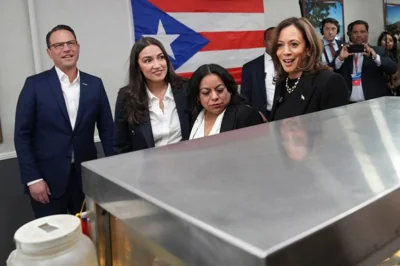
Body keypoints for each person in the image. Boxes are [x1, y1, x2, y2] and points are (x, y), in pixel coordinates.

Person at [14, 25, 114, 218]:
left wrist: (114, 172)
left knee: (90, 237)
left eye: (70, 43)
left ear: (78, 47)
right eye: (59, 45)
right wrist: (33, 178)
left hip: (86, 181)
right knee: (54, 242)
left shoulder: (94, 84)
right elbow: (22, 135)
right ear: (49, 52)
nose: (66, 49)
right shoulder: (34, 85)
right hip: (47, 184)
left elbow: (108, 131)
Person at [114, 37, 190, 153]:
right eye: (148, 61)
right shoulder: (126, 97)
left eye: (161, 57)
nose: (157, 65)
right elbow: (121, 146)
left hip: (186, 162)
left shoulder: (185, 88)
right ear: (138, 66)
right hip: (147, 167)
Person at [270, 17, 348, 121]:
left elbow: (336, 133)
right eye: (280, 45)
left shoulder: (330, 82)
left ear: (309, 48)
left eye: (294, 44)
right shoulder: (283, 81)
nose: (285, 52)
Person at [188, 64, 264, 139]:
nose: (214, 97)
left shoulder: (245, 114)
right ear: (198, 96)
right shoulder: (195, 115)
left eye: (220, 90)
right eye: (206, 93)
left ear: (229, 89)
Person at [334, 20, 397, 103]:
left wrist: (375, 57)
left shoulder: (379, 51)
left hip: (374, 102)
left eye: (362, 31)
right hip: (348, 103)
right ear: (350, 34)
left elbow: (392, 69)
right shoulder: (342, 52)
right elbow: (335, 73)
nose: (359, 35)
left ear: (367, 33)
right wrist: (340, 59)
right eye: (355, 32)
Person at [241, 27, 276, 119]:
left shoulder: (291, 64)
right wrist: (254, 115)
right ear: (264, 42)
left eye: (277, 39)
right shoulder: (250, 68)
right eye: (270, 39)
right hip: (262, 118)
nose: (274, 42)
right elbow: (245, 99)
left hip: (289, 118)